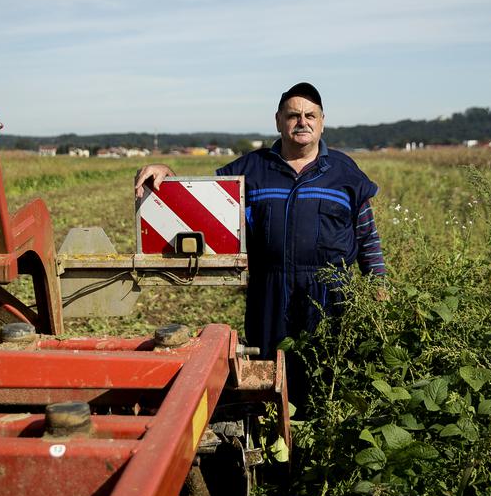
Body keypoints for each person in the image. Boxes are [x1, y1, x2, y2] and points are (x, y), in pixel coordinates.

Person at [134, 82, 385, 403]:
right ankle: (272, 434)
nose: (302, 122)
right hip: (268, 291)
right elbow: (202, 203)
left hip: (332, 293)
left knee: (329, 374)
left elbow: (367, 237)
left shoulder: (345, 173)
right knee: (268, 373)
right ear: (278, 121)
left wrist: (378, 284)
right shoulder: (250, 169)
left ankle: (321, 434)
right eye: (293, 115)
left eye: (310, 115)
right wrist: (169, 175)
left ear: (322, 121)